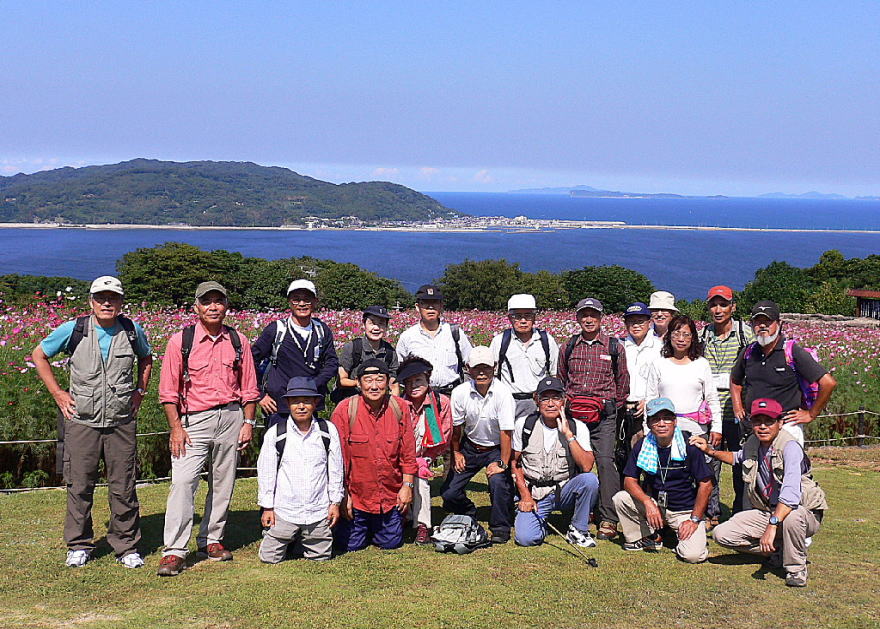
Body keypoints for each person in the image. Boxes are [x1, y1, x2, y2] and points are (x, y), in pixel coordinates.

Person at [32, 275, 153, 569]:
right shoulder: (73, 330)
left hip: (121, 421)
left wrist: (140, 391)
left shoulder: (132, 330)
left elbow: (146, 358)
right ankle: (79, 545)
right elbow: (39, 355)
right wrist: (58, 393)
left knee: (124, 486)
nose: (106, 303)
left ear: (121, 302)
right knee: (79, 485)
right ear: (91, 301)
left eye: (113, 298)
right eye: (101, 298)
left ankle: (126, 546)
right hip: (81, 421)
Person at [156, 281, 260, 577]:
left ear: (227, 306)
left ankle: (211, 540)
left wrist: (248, 422)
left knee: (223, 483)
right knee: (183, 483)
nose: (213, 307)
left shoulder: (239, 341)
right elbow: (168, 391)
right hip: (193, 422)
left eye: (218, 301)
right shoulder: (181, 341)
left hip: (231, 418)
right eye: (207, 302)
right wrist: (175, 427)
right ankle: (175, 550)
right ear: (196, 307)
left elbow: (249, 387)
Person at [692, 398, 828, 586]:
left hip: (802, 512)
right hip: (768, 511)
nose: (762, 426)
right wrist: (710, 451)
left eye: (769, 421)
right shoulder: (753, 442)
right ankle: (778, 551)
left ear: (780, 423)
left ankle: (796, 569)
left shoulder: (790, 447)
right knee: (722, 534)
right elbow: (737, 457)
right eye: (757, 421)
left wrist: (772, 526)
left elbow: (790, 495)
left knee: (793, 516)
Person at [557, 297, 629, 541]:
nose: (589, 319)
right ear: (577, 318)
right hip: (575, 415)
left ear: (601, 317)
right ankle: (580, 511)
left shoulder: (614, 347)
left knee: (606, 462)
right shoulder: (568, 347)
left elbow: (623, 381)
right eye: (584, 315)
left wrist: (612, 407)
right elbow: (562, 379)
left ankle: (608, 517)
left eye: (593, 315)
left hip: (604, 416)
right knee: (576, 462)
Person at [613, 397, 714, 563]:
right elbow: (629, 480)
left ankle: (681, 536)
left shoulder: (689, 446)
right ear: (649, 423)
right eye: (656, 419)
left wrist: (694, 519)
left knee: (693, 555)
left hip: (684, 511)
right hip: (656, 506)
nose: (661, 424)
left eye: (667, 418)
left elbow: (706, 484)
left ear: (675, 421)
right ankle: (647, 537)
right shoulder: (643, 445)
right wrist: (647, 502)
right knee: (621, 498)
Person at [331, 359, 417, 552]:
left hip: (389, 496)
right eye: (368, 380)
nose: (374, 386)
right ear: (358, 383)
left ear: (388, 382)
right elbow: (337, 460)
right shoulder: (345, 410)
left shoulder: (400, 407)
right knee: (350, 545)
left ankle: (382, 526)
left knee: (391, 543)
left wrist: (407, 486)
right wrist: (342, 495)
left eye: (379, 379)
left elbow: (408, 453)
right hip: (357, 496)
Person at [645, 314, 722, 523]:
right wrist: (647, 428)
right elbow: (650, 398)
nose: (681, 339)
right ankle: (662, 518)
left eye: (686, 334)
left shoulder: (701, 364)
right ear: (669, 336)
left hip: (695, 429)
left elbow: (712, 398)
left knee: (701, 473)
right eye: (677, 333)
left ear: (693, 338)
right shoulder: (659, 364)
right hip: (664, 430)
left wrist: (717, 427)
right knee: (665, 474)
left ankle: (705, 515)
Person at [257, 377, 343, 563]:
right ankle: (289, 538)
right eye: (296, 402)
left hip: (318, 510)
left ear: (315, 403)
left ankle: (302, 542)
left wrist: (335, 503)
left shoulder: (327, 431)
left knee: (321, 558)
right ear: (288, 404)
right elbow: (266, 472)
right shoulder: (277, 433)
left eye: (306, 401)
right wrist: (268, 507)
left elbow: (336, 469)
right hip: (285, 510)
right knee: (269, 558)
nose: (301, 406)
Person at [730, 300, 837, 446]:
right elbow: (735, 380)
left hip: (785, 427)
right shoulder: (748, 352)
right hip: (756, 426)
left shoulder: (792, 352)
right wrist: (737, 407)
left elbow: (828, 383)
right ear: (752, 324)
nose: (762, 326)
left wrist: (811, 414)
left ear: (779, 324)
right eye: (758, 321)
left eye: (768, 321)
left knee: (787, 461)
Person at [512, 376, 600, 548]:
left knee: (589, 480)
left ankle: (578, 529)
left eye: (556, 398)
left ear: (564, 401)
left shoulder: (578, 427)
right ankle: (539, 523)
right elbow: (515, 464)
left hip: (564, 490)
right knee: (526, 538)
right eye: (545, 398)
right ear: (537, 401)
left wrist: (568, 435)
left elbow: (587, 466)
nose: (551, 404)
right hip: (535, 493)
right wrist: (525, 496)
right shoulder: (524, 425)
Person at [440, 346, 516, 544]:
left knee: (498, 482)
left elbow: (506, 432)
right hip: (471, 445)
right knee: (448, 492)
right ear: (468, 368)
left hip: (497, 447)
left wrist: (502, 463)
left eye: (486, 368)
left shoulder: (503, 393)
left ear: (494, 367)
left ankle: (500, 526)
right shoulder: (460, 392)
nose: (482, 372)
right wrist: (456, 452)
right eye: (477, 368)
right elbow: (457, 428)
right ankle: (467, 511)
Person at [700, 285, 755, 516]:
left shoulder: (746, 334)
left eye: (723, 304)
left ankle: (740, 512)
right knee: (709, 464)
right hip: (710, 412)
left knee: (740, 463)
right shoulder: (703, 336)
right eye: (714, 305)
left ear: (733, 307)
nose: (718, 309)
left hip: (737, 412)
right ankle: (711, 512)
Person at [252, 278, 338, 424]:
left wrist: (314, 384)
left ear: (315, 302)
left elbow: (332, 362)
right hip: (279, 405)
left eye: (307, 300)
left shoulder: (322, 330)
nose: (302, 304)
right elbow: (251, 360)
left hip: (311, 403)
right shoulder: (276, 329)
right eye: (296, 299)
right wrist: (260, 394)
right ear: (289, 302)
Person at [398, 356, 453, 544]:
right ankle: (402, 516)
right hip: (401, 456)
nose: (414, 385)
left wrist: (425, 460)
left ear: (427, 379)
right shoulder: (398, 404)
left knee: (420, 479)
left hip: (425, 454)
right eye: (409, 382)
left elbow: (444, 437)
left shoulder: (440, 402)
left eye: (418, 380)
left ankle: (422, 525)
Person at [489, 293, 559, 422]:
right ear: (509, 318)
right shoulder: (499, 341)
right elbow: (491, 375)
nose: (523, 321)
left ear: (534, 317)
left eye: (528, 315)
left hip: (538, 403)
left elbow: (555, 374)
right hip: (509, 402)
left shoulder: (546, 340)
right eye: (517, 316)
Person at [395, 284, 472, 396]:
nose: (430, 307)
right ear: (417, 307)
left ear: (441, 306)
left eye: (435, 303)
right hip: (421, 397)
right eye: (425, 303)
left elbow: (471, 362)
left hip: (451, 394)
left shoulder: (454, 332)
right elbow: (398, 370)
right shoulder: (408, 337)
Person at [620, 302, 663, 467]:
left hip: (648, 408)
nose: (636, 325)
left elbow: (662, 380)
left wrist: (649, 401)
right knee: (623, 456)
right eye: (631, 322)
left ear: (649, 323)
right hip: (624, 408)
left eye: (640, 321)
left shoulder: (660, 347)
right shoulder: (619, 346)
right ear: (625, 324)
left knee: (647, 456)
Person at [333, 305, 399, 401]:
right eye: (372, 323)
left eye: (381, 324)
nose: (376, 328)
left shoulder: (390, 352)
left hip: (379, 401)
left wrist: (395, 404)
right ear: (364, 324)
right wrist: (363, 383)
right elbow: (341, 380)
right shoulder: (353, 347)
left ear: (386, 327)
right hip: (353, 399)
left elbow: (393, 384)